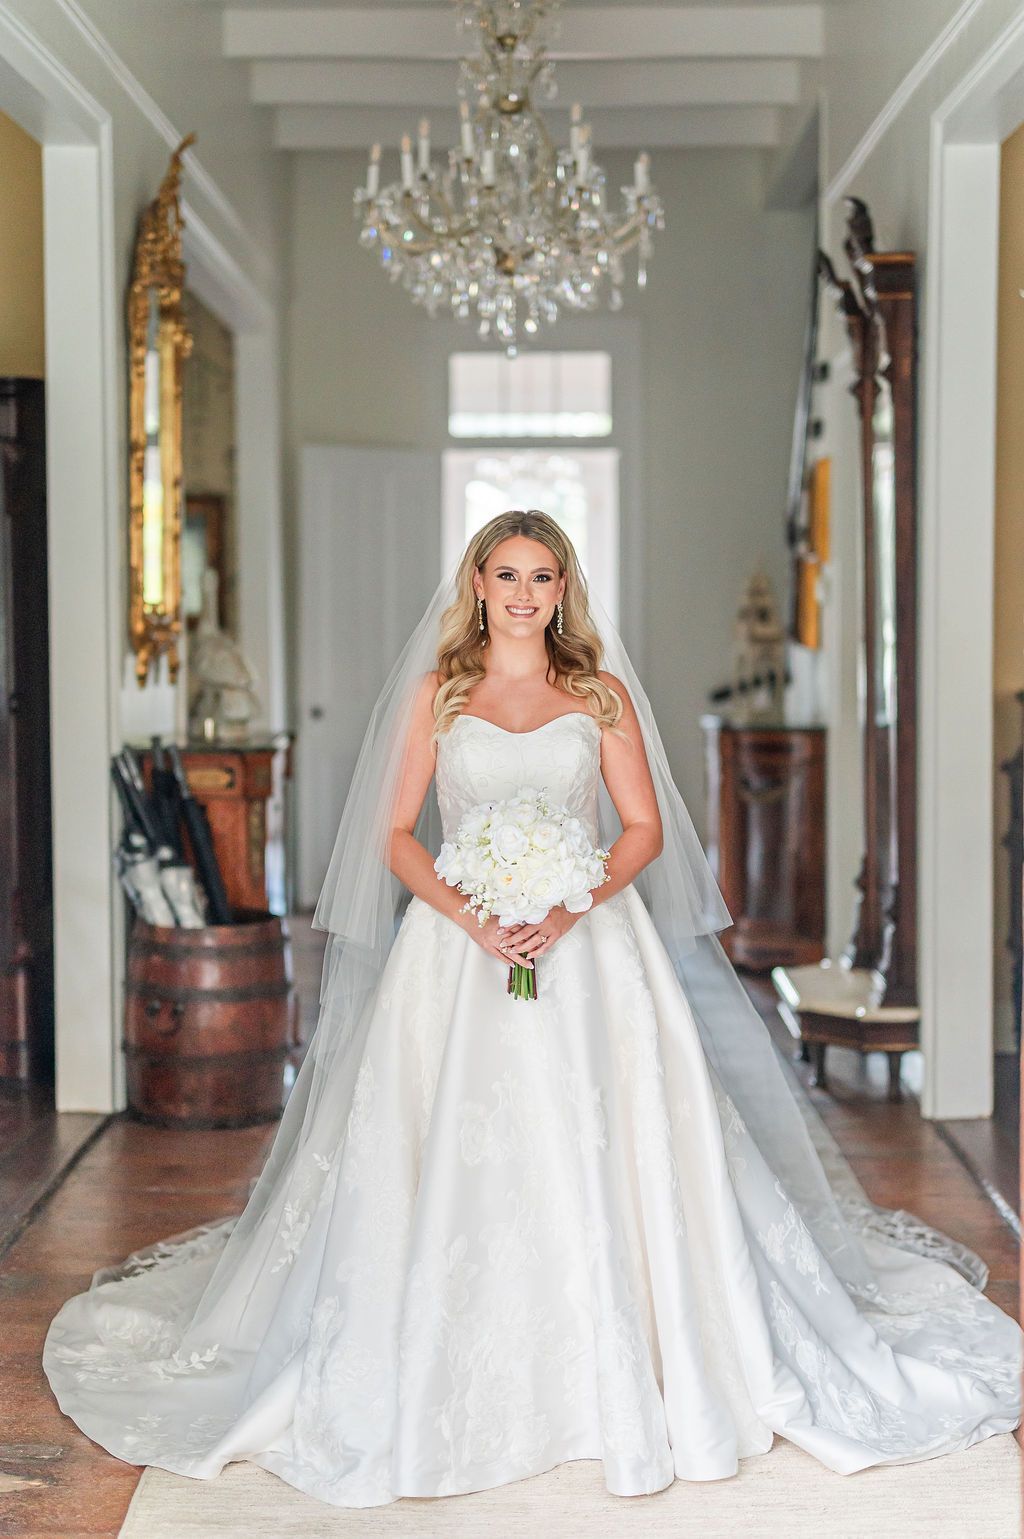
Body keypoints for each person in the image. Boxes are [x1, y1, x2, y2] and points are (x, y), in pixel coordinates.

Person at [43, 510, 1021, 1508]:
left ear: (563, 590)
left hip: (589, 952)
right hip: (457, 954)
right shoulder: (439, 695)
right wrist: (476, 917)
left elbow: (639, 829)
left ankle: (632, 1354)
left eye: (541, 577)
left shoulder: (598, 697)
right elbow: (393, 834)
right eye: (504, 575)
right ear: (475, 583)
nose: (521, 594)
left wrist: (572, 902)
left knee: (610, 1142)